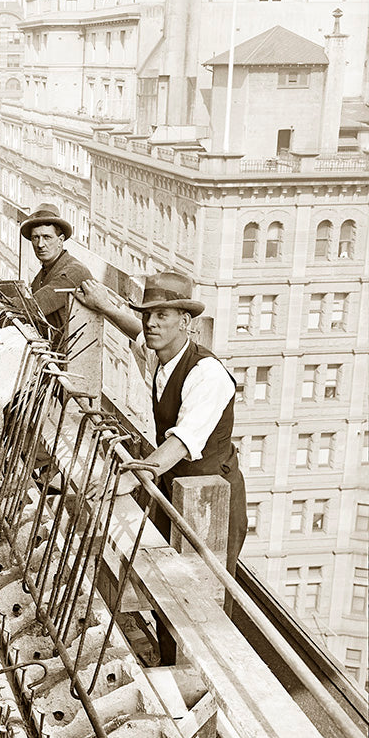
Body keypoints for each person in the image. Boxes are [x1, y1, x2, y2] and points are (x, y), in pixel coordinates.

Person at [76, 270, 248, 575]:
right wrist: (105, 306)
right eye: (147, 314)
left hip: (212, 503)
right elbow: (137, 332)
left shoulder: (208, 374)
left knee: (205, 585)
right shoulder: (162, 354)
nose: (151, 323)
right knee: (167, 572)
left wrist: (132, 477)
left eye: (162, 315)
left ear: (184, 321)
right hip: (172, 486)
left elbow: (181, 442)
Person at [19, 203, 92, 335]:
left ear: (60, 240)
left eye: (47, 237)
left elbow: (34, 307)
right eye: (35, 238)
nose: (40, 244)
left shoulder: (74, 272)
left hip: (71, 347)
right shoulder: (43, 273)